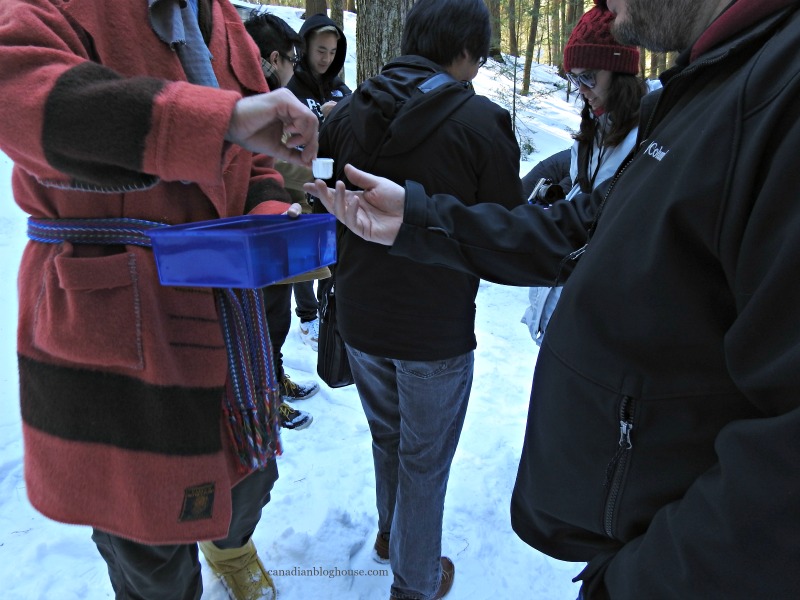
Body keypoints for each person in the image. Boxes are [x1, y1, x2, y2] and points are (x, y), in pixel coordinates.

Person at [307, 0, 800, 597]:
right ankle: (412, 565)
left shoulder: (769, 93)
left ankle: (404, 557)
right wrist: (417, 218)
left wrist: (641, 581)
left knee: (404, 447)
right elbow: (586, 225)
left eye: (587, 79)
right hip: (428, 332)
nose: (603, 6)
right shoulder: (706, 85)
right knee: (417, 455)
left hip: (667, 553)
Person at [0, 1, 319, 599]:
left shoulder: (223, 21)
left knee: (247, 478)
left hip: (223, 307)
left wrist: (271, 212)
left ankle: (231, 547)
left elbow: (250, 159)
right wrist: (211, 121)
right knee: (144, 530)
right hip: (112, 317)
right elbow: (19, 95)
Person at [315, 0, 522, 598]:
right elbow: (505, 238)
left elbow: (322, 205)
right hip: (435, 330)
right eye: (477, 59)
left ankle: (393, 536)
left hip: (360, 316)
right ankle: (415, 579)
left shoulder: (346, 112)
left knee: (390, 438)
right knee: (425, 459)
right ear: (464, 52)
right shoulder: (482, 124)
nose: (476, 71)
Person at [521, 0, 647, 346]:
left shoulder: (650, 137)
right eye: (573, 78)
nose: (582, 89)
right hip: (565, 311)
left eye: (588, 77)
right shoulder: (595, 129)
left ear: (619, 72)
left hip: (603, 326)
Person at [244, 9, 322, 431]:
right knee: (264, 318)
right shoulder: (257, 105)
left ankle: (273, 381)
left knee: (276, 315)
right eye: (294, 58)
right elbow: (269, 165)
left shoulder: (273, 102)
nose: (297, 67)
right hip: (263, 227)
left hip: (278, 221)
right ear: (274, 59)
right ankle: (265, 397)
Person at [286, 11, 352, 349]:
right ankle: (308, 316)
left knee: (332, 252)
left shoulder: (342, 89)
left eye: (331, 51)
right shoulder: (291, 88)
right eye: (320, 50)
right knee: (305, 253)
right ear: (306, 48)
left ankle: (327, 312)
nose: (326, 58)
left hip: (335, 185)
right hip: (299, 182)